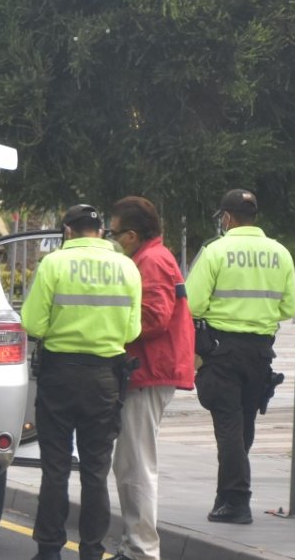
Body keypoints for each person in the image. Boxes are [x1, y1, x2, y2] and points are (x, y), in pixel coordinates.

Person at [21, 204, 142, 560]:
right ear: (101, 231)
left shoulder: (54, 264)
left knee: (55, 466)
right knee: (95, 470)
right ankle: (91, 551)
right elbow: (133, 330)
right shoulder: (126, 267)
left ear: (68, 231)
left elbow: (33, 324)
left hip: (60, 374)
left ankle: (49, 549)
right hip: (106, 377)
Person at [186, 189, 295, 524]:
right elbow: (289, 307)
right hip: (260, 352)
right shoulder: (279, 253)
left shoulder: (216, 251)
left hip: (222, 349)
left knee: (229, 427)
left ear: (227, 218)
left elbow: (192, 304)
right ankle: (226, 496)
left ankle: (236, 501)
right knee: (244, 423)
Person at [106, 197, 195, 560]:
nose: (111, 240)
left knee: (135, 462)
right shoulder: (150, 257)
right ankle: (135, 545)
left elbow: (154, 318)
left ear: (131, 235)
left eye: (114, 234)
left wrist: (108, 330)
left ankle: (141, 549)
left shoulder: (152, 261)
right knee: (130, 461)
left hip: (149, 369)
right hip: (150, 368)